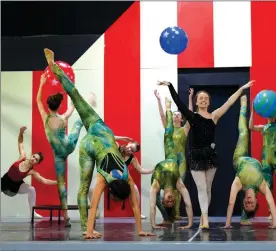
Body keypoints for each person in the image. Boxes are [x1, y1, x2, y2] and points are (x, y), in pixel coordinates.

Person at [43, 48, 154, 239]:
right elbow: (99, 205)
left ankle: (55, 69)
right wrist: (140, 230)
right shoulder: (105, 180)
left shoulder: (126, 177)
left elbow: (132, 206)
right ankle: (87, 228)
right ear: (113, 190)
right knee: (85, 187)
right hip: (92, 141)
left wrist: (140, 229)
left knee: (76, 97)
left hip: (100, 130)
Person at [157, 80, 254, 228]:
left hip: (210, 156)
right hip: (196, 156)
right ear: (196, 102)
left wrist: (241, 89)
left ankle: (203, 216)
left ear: (209, 102)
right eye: (201, 98)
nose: (203, 100)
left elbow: (228, 103)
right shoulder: (192, 116)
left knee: (208, 189)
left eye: (206, 98)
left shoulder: (214, 116)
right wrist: (170, 86)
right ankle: (206, 220)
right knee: (201, 188)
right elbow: (179, 102)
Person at [87, 97, 153, 219]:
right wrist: (123, 138)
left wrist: (152, 170)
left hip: (119, 179)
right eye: (129, 147)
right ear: (127, 144)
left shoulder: (132, 159)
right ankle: (95, 211)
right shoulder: (116, 147)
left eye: (132, 150)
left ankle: (137, 211)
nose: (129, 149)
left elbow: (140, 170)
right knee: (91, 189)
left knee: (135, 189)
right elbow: (109, 137)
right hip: (107, 175)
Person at [222, 95, 276, 229]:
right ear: (256, 201)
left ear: (243, 201)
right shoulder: (261, 185)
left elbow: (231, 202)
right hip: (255, 161)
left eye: (246, 204)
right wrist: (275, 224)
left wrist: (228, 224)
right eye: (251, 204)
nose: (248, 201)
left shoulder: (239, 184)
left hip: (240, 158)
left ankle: (243, 106)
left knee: (243, 133)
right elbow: (271, 202)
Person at [37, 74, 84, 227]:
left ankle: (65, 216)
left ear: (49, 106)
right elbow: (72, 107)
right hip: (68, 145)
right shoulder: (63, 118)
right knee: (78, 122)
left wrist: (42, 83)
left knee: (60, 184)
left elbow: (38, 100)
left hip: (59, 154)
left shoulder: (45, 118)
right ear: (58, 106)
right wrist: (71, 90)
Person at [150, 97, 193, 230]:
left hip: (180, 161)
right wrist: (158, 100)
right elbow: (163, 115)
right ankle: (169, 215)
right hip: (169, 160)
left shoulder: (185, 129)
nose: (175, 116)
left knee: (179, 187)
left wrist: (190, 98)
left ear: (181, 119)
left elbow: (190, 114)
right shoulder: (167, 126)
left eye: (178, 114)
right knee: (172, 187)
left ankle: (177, 214)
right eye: (174, 114)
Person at [1, 126, 57, 219]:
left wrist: (57, 182)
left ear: (37, 163)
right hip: (5, 180)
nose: (34, 159)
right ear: (32, 155)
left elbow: (45, 181)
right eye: (34, 156)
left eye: (36, 160)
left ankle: (33, 212)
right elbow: (20, 143)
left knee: (31, 189)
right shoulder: (22, 157)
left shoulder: (32, 171)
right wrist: (21, 133)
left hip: (16, 185)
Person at [249, 100, 276, 219]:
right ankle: (271, 212)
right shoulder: (263, 128)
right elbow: (250, 126)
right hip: (266, 160)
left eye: (273, 114)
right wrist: (252, 111)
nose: (271, 116)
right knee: (267, 186)